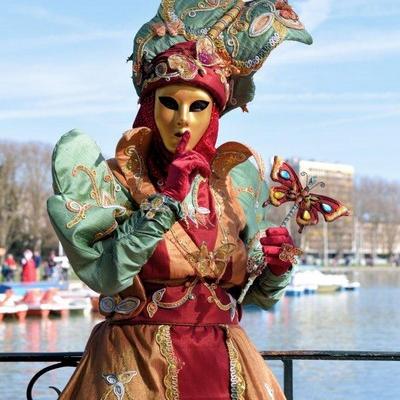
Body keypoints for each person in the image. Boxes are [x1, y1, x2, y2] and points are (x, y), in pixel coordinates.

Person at [47, 1, 312, 398]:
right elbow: (105, 275)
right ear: (150, 109)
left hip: (226, 368)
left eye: (198, 106)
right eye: (169, 103)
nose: (182, 120)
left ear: (215, 115)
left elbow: (254, 298)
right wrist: (164, 200)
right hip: (141, 367)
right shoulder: (118, 181)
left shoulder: (231, 189)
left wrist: (275, 266)